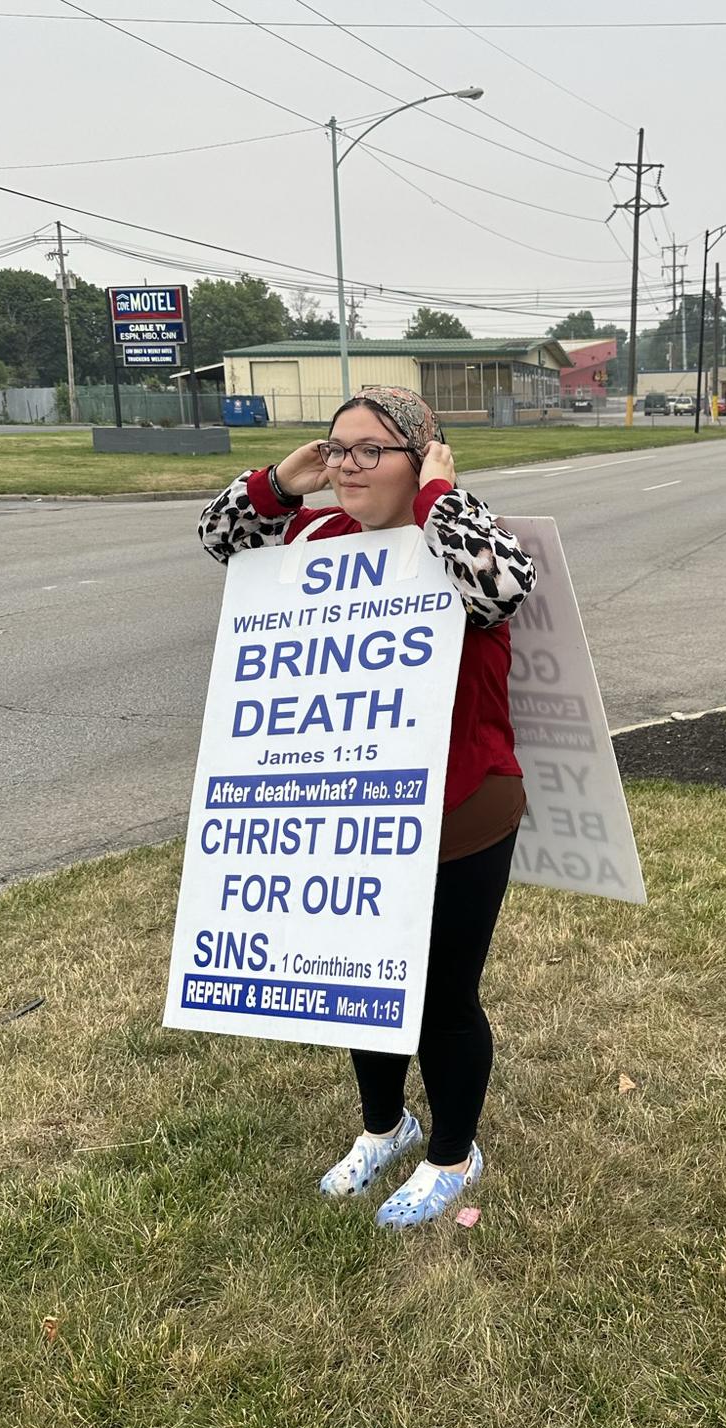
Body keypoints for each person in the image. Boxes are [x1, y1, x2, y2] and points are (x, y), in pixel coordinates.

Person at [198, 387, 536, 1228]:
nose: (346, 466)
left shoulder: (460, 538)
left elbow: (503, 587)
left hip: (461, 806)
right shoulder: (317, 538)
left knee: (442, 997)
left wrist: (438, 497)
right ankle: (386, 1127)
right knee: (360, 981)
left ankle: (453, 1154)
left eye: (370, 450)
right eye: (335, 448)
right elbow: (221, 537)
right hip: (349, 812)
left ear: (422, 459)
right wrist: (282, 481)